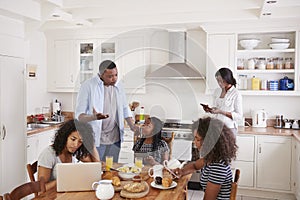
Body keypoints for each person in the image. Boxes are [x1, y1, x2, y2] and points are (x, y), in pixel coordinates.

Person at [75, 60, 137, 162]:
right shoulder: (88, 86)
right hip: (96, 139)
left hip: (115, 139)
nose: (114, 79)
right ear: (101, 74)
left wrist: (132, 125)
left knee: (112, 170)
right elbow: (79, 116)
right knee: (96, 170)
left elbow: (125, 107)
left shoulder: (119, 85)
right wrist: (94, 117)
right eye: (110, 76)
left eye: (116, 75)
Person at [173, 117, 238, 200]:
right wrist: (181, 171)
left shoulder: (217, 167)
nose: (194, 142)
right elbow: (195, 166)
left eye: (197, 139)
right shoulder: (212, 157)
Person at [37, 119, 100, 190]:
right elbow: (40, 189)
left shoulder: (74, 152)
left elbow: (96, 165)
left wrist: (90, 143)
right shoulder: (48, 154)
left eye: (80, 141)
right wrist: (63, 180)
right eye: (73, 139)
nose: (76, 145)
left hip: (67, 192)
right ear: (64, 137)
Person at [203, 67, 243, 135]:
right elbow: (216, 108)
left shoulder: (236, 94)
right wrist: (210, 110)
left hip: (229, 129)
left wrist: (221, 111)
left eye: (221, 81)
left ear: (227, 79)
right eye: (217, 80)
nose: (219, 83)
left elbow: (239, 116)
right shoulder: (217, 91)